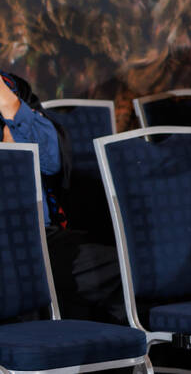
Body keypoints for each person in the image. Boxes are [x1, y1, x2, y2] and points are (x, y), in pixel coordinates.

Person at [0, 71, 124, 324]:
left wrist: (9, 104)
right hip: (8, 240)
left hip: (41, 235)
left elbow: (51, 161)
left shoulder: (13, 87)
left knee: (126, 269)